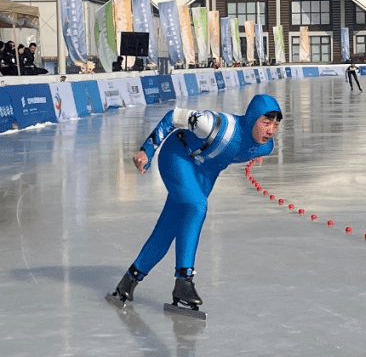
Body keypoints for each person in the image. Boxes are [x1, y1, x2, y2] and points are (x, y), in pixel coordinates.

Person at [110, 94, 284, 313]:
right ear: (251, 119)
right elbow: (173, 116)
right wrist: (147, 150)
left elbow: (248, 147)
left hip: (205, 175)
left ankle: (128, 281)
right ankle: (184, 281)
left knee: (168, 227)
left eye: (275, 125)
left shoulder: (265, 146)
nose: (270, 130)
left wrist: (252, 154)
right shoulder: (214, 125)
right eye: (265, 123)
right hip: (178, 157)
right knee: (197, 206)